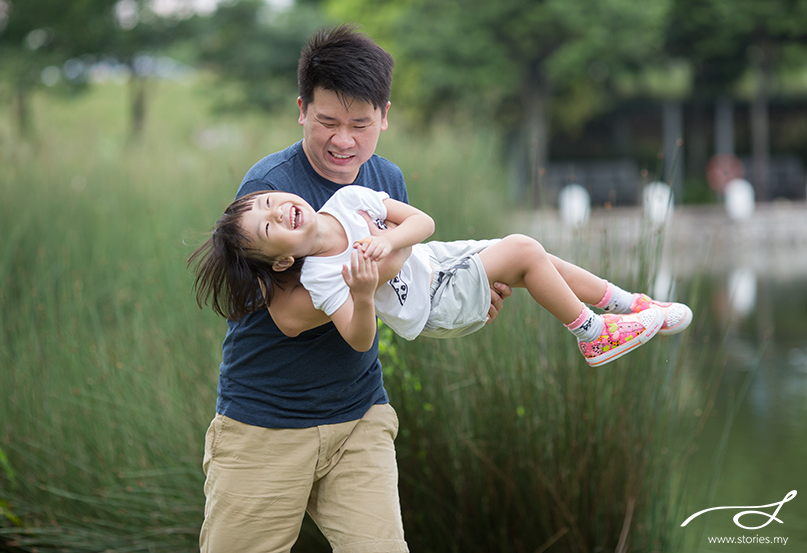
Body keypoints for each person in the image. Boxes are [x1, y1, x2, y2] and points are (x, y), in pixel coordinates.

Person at [194, 24, 511, 553]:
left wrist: (467, 296)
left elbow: (402, 286)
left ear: (385, 115)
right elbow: (292, 317)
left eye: (361, 124)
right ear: (301, 109)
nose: (344, 140)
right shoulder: (271, 191)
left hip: (358, 415)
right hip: (265, 425)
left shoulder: (386, 180)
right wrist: (371, 277)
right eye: (327, 122)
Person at [190, 185, 693, 367]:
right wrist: (363, 294)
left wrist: (390, 240)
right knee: (521, 248)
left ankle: (631, 306)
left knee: (536, 256)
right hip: (430, 303)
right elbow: (361, 340)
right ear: (280, 263)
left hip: (435, 257)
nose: (281, 213)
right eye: (269, 226)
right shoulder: (323, 277)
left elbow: (424, 222)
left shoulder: (348, 200)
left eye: (273, 203)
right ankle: (591, 335)